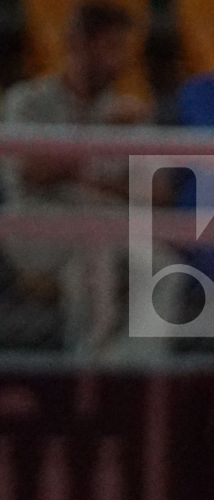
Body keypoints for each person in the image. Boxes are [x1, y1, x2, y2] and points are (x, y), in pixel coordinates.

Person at [0, 2, 151, 341]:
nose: (122, 60)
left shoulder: (125, 110)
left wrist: (91, 176)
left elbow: (158, 193)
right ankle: (88, 377)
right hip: (39, 223)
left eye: (125, 49)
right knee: (92, 259)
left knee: (162, 264)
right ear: (79, 45)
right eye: (112, 47)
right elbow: (33, 173)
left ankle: (142, 375)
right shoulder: (27, 101)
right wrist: (99, 134)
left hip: (109, 223)